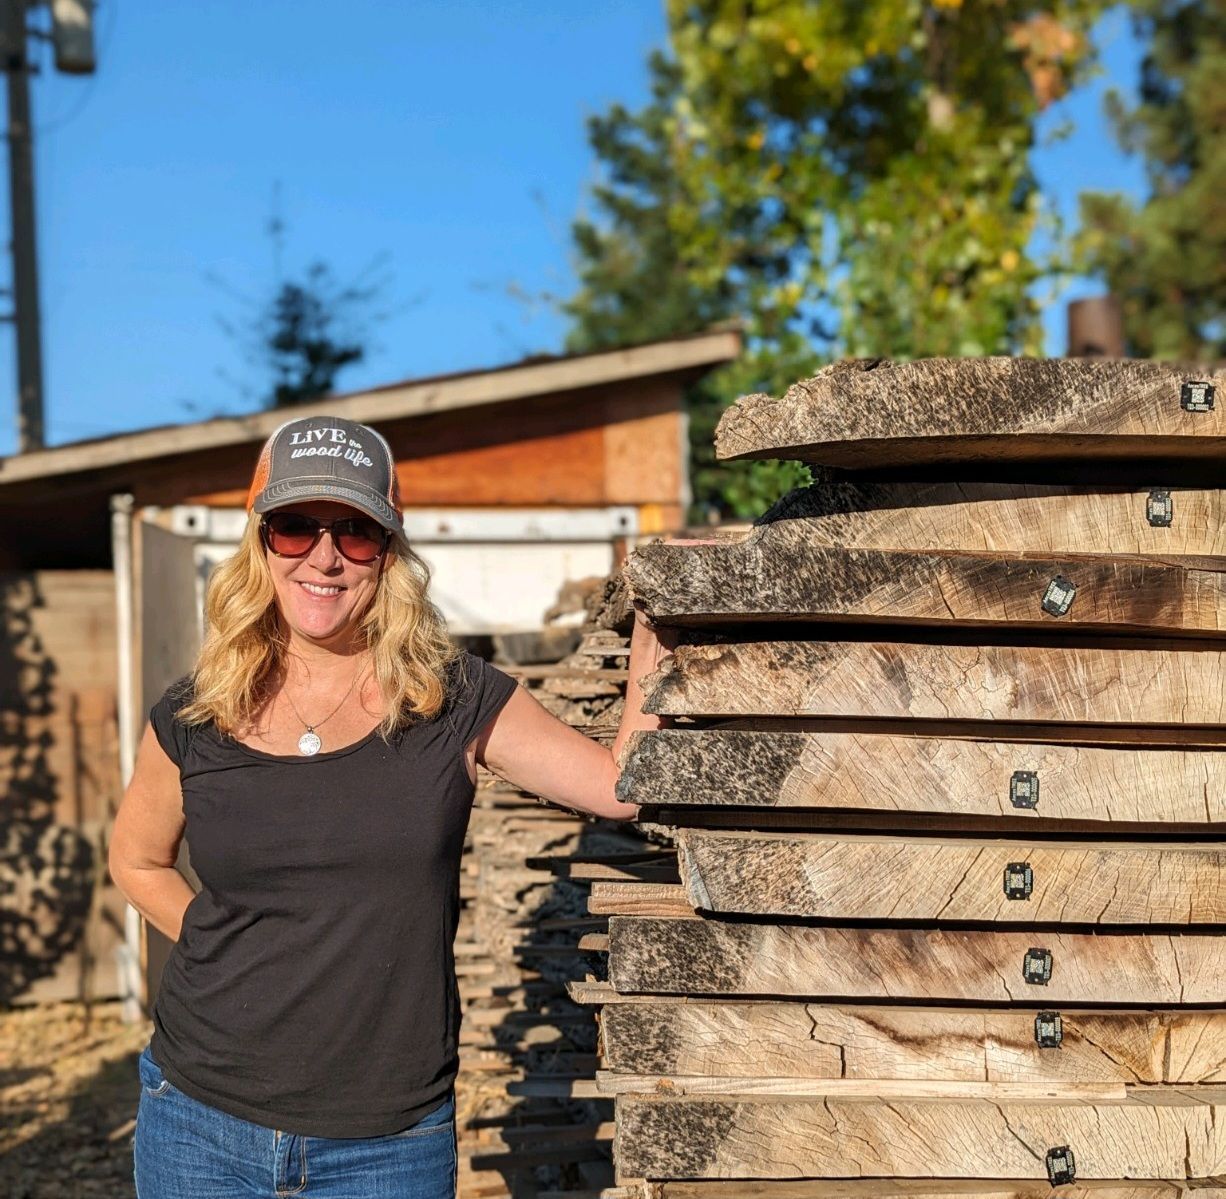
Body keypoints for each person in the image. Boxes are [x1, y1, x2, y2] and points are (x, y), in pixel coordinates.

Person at [108, 413, 680, 1199]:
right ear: (260, 542)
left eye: (356, 531)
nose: (325, 556)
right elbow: (135, 860)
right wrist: (222, 944)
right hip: (199, 1122)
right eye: (295, 526)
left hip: (385, 1145)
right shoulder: (196, 711)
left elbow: (619, 786)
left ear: (389, 551)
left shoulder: (453, 699)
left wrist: (658, 624)